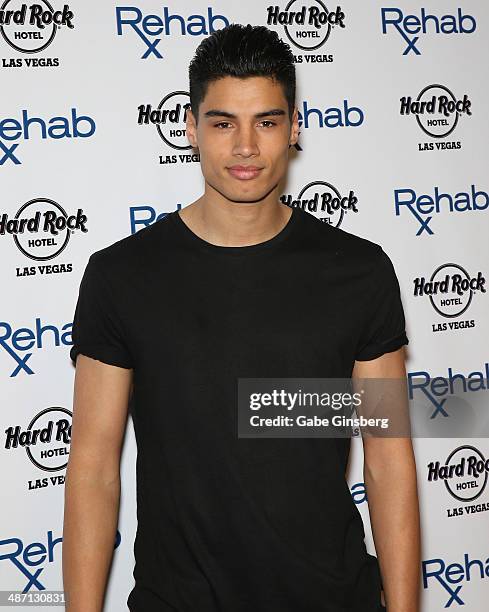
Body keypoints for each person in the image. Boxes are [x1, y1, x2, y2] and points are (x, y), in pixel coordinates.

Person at [62, 24, 420, 612]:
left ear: (295, 127)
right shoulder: (121, 277)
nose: (246, 146)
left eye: (267, 122)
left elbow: (387, 457)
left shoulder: (358, 271)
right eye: (224, 122)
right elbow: (95, 467)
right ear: (190, 128)